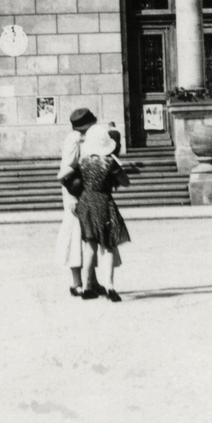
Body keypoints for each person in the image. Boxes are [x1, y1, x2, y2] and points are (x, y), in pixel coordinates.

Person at [76, 121, 132, 301]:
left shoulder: (83, 161)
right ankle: (110, 287)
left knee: (89, 245)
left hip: (85, 202)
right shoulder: (109, 163)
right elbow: (125, 182)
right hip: (103, 201)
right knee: (108, 245)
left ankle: (86, 287)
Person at [56, 107, 97, 297]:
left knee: (89, 236)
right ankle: (76, 282)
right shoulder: (74, 139)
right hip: (75, 193)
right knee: (76, 236)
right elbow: (68, 166)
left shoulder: (81, 137)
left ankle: (91, 280)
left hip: (83, 191)